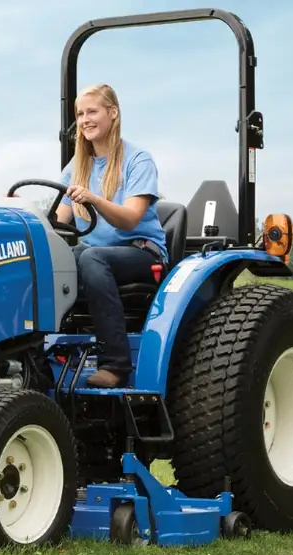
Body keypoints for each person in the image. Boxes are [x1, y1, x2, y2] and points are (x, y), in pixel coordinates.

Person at [53, 83, 169, 388]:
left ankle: (116, 364)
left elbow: (130, 219)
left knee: (90, 257)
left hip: (141, 252)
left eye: (92, 111)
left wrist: (94, 199)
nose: (85, 119)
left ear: (112, 113)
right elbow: (58, 222)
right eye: (80, 114)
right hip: (96, 252)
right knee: (58, 260)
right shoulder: (78, 165)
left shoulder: (137, 160)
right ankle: (38, 353)